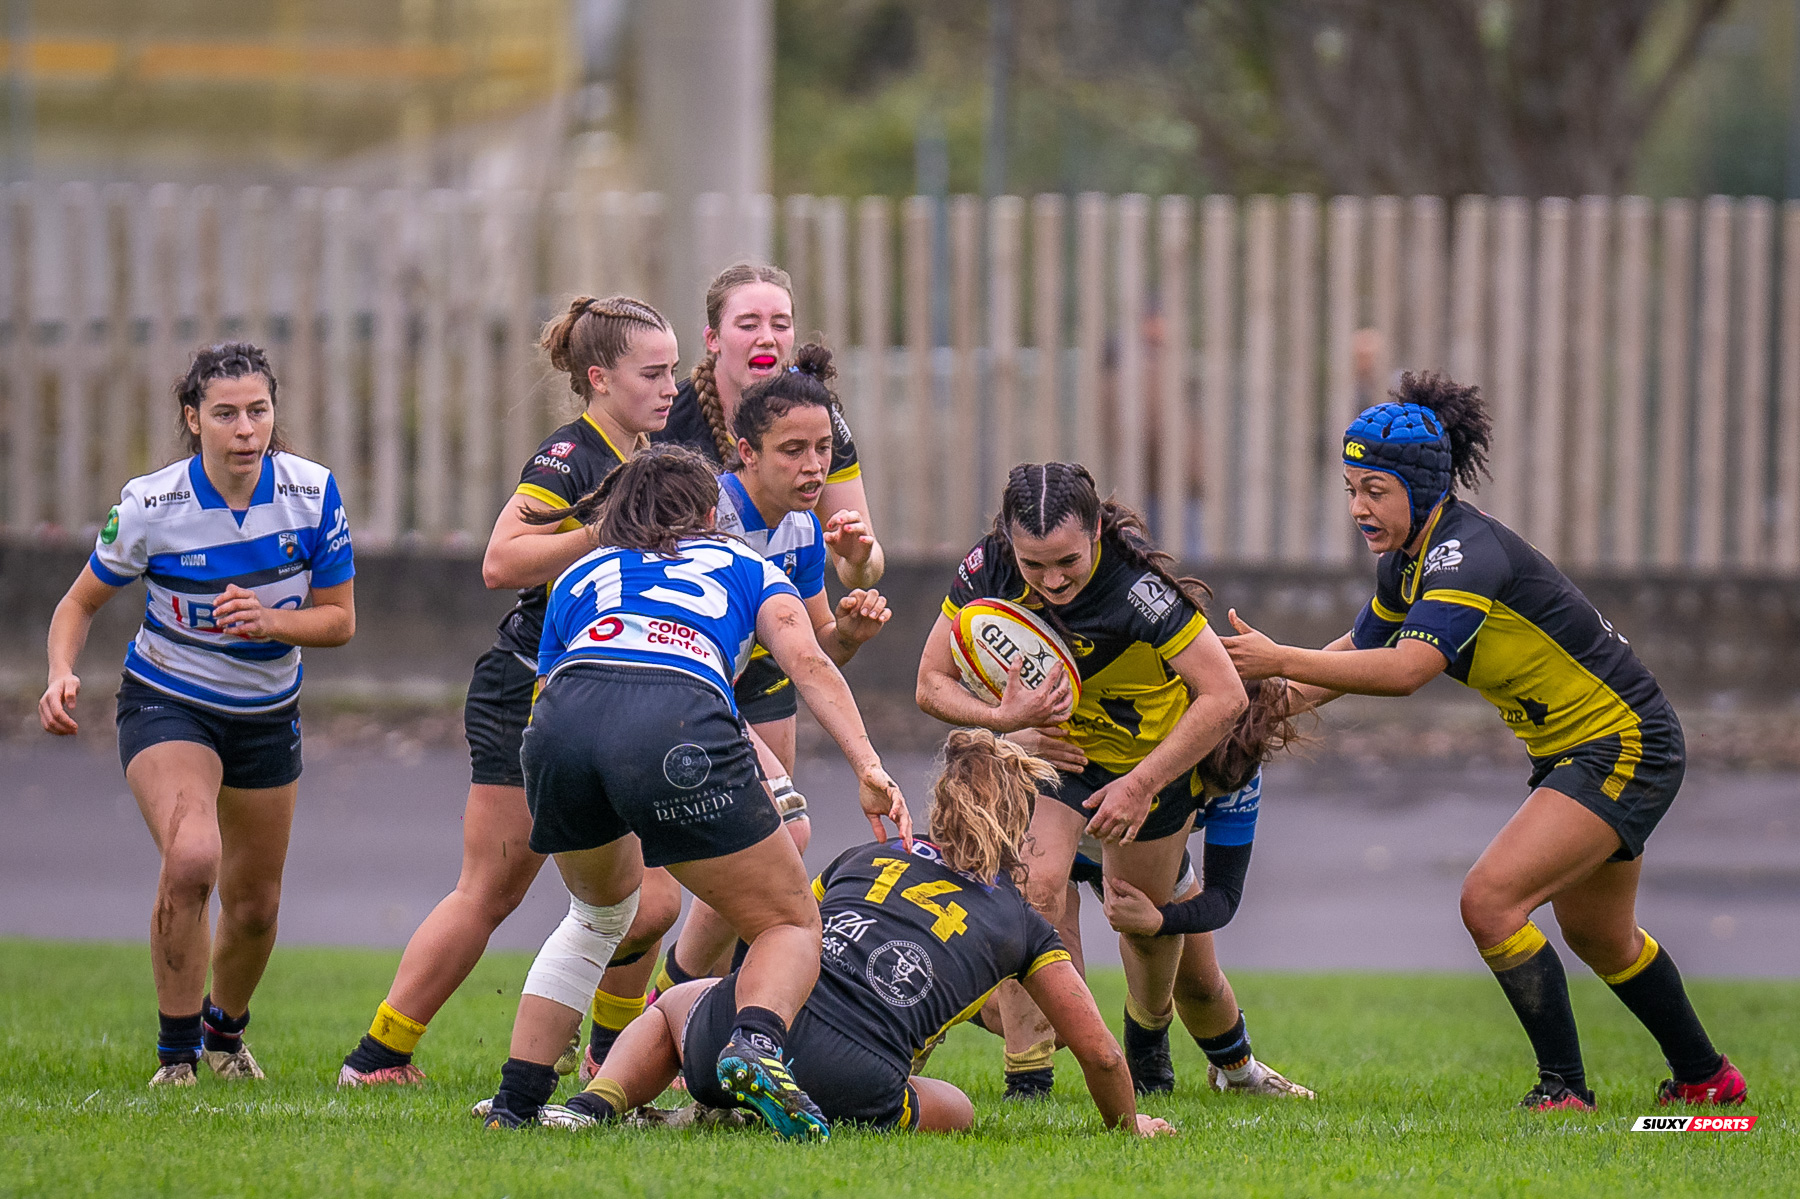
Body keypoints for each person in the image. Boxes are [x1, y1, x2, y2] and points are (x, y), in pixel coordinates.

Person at [1222, 372, 1748, 1111]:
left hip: (1624, 742)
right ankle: (1710, 1081)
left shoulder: (1465, 554)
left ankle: (1564, 1091)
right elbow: (1354, 653)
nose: (1358, 508)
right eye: (1349, 488)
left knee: (1491, 901)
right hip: (1585, 750)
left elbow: (1407, 670)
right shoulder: (1410, 559)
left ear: (1420, 484)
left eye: (1374, 489)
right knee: (1601, 934)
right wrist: (1249, 708)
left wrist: (1278, 658)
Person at [480, 445, 910, 1139]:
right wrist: (868, 764)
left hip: (560, 729)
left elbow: (550, 694)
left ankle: (516, 1105)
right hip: (675, 716)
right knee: (789, 920)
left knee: (596, 915)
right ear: (712, 515)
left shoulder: (581, 571)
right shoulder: (747, 565)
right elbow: (808, 661)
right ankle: (756, 1045)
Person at [339, 296, 685, 1086]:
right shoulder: (571, 457)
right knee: (493, 888)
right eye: (654, 372)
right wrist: (603, 530)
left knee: (655, 897)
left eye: (674, 370)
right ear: (599, 378)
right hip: (526, 690)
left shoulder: (636, 454)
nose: (671, 387)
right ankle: (379, 1055)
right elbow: (501, 559)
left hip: (604, 693)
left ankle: (608, 1058)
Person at [542, 730, 1176, 1139]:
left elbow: (787, 939)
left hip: (742, 1033)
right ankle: (762, 1103)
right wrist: (1130, 1123)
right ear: (1019, 825)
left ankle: (596, 1106)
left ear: (939, 806)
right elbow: (1099, 1052)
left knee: (679, 1004)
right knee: (958, 1107)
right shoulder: (1023, 923)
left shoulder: (859, 859)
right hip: (858, 1079)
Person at [39, 342, 356, 1087]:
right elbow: (77, 602)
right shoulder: (152, 504)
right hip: (168, 699)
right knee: (191, 858)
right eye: (226, 414)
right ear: (194, 418)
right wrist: (59, 670)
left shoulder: (312, 494)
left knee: (255, 904)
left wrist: (274, 623)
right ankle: (176, 1056)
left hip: (267, 712)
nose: (246, 429)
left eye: (259, 411)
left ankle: (223, 1034)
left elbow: (339, 620)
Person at [576, 342, 891, 1078]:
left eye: (823, 449)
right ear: (745, 453)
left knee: (761, 852)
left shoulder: (802, 528)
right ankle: (642, 1030)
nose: (815, 466)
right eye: (793, 450)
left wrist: (850, 628)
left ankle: (652, 1025)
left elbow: (809, 651)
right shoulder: (708, 512)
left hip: (711, 702)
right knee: (654, 900)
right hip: (652, 696)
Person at [915, 462, 1247, 1100]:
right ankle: (1028, 1081)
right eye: (1033, 564)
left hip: (1149, 763)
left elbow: (1225, 695)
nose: (1051, 580)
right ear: (1009, 540)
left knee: (1139, 921)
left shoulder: (1138, 592)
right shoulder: (988, 569)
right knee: (1032, 889)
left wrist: (1143, 783)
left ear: (1095, 529)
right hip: (1057, 759)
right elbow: (931, 682)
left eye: (1067, 561)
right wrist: (1005, 720)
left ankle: (1148, 1041)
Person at [1092, 679, 1314, 1097]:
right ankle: (1019, 1073)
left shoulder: (1240, 770)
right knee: (1041, 981)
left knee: (1199, 981)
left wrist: (1162, 918)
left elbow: (1225, 896)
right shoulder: (1134, 731)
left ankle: (1240, 1075)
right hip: (1065, 840)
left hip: (1152, 852)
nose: (1203, 799)